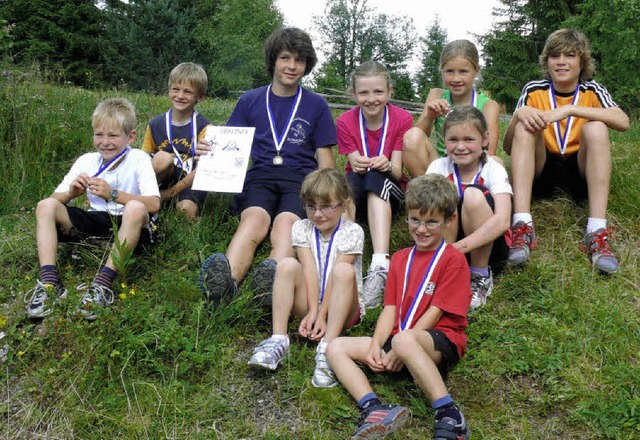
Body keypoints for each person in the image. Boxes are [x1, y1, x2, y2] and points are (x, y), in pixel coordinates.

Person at [327, 174, 472, 440]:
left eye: (431, 222)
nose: (421, 229)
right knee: (335, 347)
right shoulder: (399, 259)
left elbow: (436, 311)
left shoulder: (453, 259)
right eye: (415, 220)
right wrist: (377, 345)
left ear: (449, 221)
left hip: (437, 340)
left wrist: (399, 348)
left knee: (405, 340)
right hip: (401, 340)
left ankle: (449, 414)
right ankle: (373, 407)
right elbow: (390, 309)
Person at [198, 27, 336, 306]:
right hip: (260, 176)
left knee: (286, 224)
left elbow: (325, 159)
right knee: (254, 220)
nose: (292, 66)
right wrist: (208, 152)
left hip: (301, 180)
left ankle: (270, 285)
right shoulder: (250, 100)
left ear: (307, 65)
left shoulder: (316, 104)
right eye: (285, 58)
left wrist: (332, 194)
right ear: (273, 59)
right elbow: (229, 145)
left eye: (299, 60)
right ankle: (227, 284)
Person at [503, 29, 629, 274]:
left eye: (570, 55)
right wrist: (518, 115)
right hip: (541, 170)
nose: (561, 62)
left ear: (582, 61)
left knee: (596, 128)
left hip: (581, 172)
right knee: (525, 127)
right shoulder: (533, 89)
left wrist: (571, 110)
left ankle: (596, 231)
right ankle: (522, 225)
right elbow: (509, 147)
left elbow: (622, 122)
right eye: (554, 56)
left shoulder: (592, 90)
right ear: (546, 61)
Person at [26, 98, 160, 321]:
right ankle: (49, 284)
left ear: (131, 136)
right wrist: (72, 193)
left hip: (131, 225)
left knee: (135, 207)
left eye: (113, 136)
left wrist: (113, 194)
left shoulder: (139, 159)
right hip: (95, 221)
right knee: (45, 206)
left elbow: (154, 204)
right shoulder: (86, 160)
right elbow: (52, 201)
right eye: (99, 134)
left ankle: (102, 285)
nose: (105, 142)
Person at [248, 168, 364, 388]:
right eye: (311, 207)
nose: (318, 214)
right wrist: (313, 311)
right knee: (287, 265)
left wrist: (323, 314)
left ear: (343, 204)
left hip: (344, 307)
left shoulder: (354, 231)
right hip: (310, 301)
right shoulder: (301, 227)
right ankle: (278, 340)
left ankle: (328, 349)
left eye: (326, 207)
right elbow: (309, 269)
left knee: (343, 272)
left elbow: (336, 276)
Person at [336, 61, 413, 310]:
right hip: (357, 186)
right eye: (364, 93)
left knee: (374, 177)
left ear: (389, 92)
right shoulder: (346, 121)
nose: (371, 99)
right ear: (354, 94)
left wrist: (387, 164)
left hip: (390, 188)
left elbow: (399, 171)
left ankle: (380, 264)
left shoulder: (402, 118)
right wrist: (358, 162)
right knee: (346, 185)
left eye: (378, 92)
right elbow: (351, 163)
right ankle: (346, 264)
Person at [427, 106, 511, 308]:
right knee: (440, 196)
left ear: (484, 140)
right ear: (443, 140)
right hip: (449, 243)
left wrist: (457, 249)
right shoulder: (438, 167)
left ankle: (479, 275)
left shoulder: (493, 169)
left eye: (469, 139)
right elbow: (424, 211)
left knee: (473, 195)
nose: (460, 146)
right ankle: (441, 268)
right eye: (453, 140)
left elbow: (503, 220)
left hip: (488, 245)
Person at [403, 39, 500, 178]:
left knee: (496, 163)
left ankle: (468, 191)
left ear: (476, 71)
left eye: (463, 72)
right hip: (441, 167)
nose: (456, 78)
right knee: (411, 136)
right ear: (442, 71)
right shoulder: (436, 95)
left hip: (471, 167)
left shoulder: (488, 105)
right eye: (449, 71)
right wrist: (430, 116)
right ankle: (429, 193)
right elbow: (416, 140)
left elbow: (489, 152)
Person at [142, 62, 211, 219]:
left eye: (187, 92)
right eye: (175, 89)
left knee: (186, 210)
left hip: (190, 182)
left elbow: (202, 170)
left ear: (199, 97)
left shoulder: (205, 127)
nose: (180, 96)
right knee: (161, 158)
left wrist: (170, 193)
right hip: (163, 178)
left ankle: (176, 205)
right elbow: (144, 160)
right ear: (169, 91)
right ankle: (152, 196)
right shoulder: (155, 124)